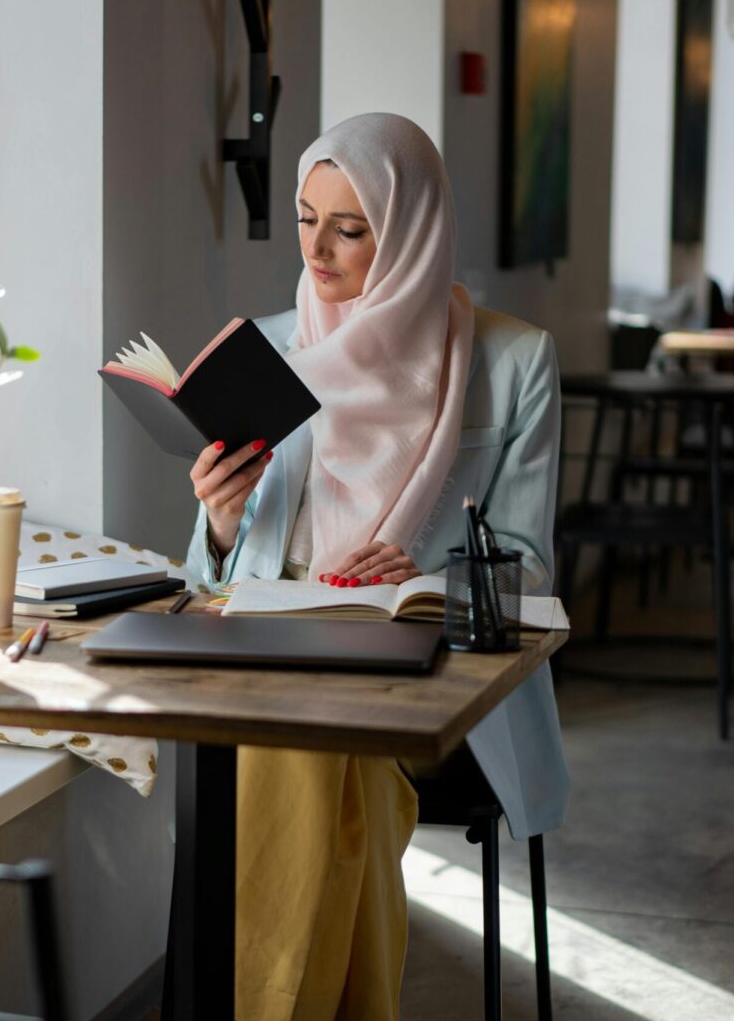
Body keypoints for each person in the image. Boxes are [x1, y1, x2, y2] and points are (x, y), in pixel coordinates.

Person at [185, 112, 569, 1020]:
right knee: (305, 739)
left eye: (351, 229)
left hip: (436, 691)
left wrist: (418, 586)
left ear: (410, 232)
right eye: (306, 218)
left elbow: (532, 576)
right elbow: (208, 581)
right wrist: (219, 520)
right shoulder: (269, 348)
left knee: (303, 743)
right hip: (281, 660)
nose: (318, 249)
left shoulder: (513, 364)